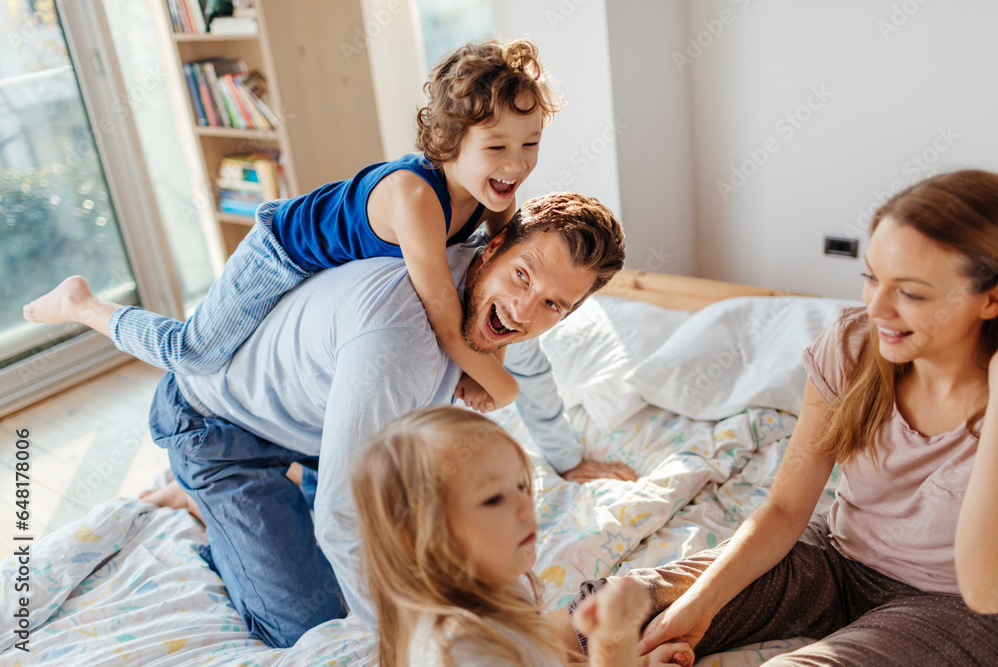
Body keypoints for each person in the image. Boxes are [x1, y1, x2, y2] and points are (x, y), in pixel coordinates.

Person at [140, 191, 635, 649]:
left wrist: (567, 460)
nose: (523, 311)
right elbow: (340, 519)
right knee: (313, 627)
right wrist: (403, 644)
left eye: (553, 304)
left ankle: (274, 490)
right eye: (522, 276)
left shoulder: (503, 311)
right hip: (220, 428)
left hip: (318, 424)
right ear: (493, 245)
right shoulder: (401, 343)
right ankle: (205, 498)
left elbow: (534, 375)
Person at [553, 169, 998, 666]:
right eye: (871, 278)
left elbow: (985, 592)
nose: (876, 307)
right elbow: (786, 510)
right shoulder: (853, 349)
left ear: (992, 299)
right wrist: (700, 604)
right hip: (838, 558)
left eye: (911, 293)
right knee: (613, 609)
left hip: (951, 606)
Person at [23, 38, 562, 413]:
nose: (516, 164)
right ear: (450, 140)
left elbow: (491, 292)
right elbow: (447, 317)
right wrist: (503, 387)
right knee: (196, 354)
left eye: (530, 144)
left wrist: (487, 362)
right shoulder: (415, 197)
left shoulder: (499, 200)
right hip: (280, 252)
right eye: (496, 147)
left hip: (334, 278)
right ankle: (83, 305)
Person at [352, 405, 694, 667]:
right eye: (492, 499)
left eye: (520, 485)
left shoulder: (495, 584)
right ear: (417, 540)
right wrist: (612, 649)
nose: (526, 507)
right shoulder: (464, 650)